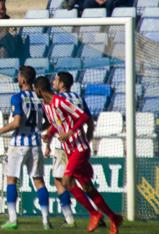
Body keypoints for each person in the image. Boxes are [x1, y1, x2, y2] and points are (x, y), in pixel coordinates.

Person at [35, 76, 123, 234]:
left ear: (39, 90)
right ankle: (113, 217)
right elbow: (58, 123)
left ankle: (94, 214)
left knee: (67, 180)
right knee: (89, 188)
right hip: (70, 150)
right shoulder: (46, 105)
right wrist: (49, 134)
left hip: (79, 147)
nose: (35, 93)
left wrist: (70, 132)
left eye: (35, 90)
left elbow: (83, 116)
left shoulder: (59, 101)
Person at [0, 66, 50, 230]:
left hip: (19, 144)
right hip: (35, 144)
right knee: (38, 181)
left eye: (18, 77)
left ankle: (13, 219)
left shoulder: (17, 97)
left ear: (22, 80)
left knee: (11, 180)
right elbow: (50, 121)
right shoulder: (40, 99)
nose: (18, 79)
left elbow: (16, 122)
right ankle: (45, 220)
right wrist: (39, 128)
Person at [43, 72, 94, 229]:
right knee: (85, 183)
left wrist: (50, 140)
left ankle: (69, 218)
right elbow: (89, 121)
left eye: (56, 80)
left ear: (62, 84)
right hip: (80, 145)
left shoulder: (59, 100)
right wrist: (86, 140)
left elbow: (58, 122)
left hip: (64, 145)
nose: (53, 82)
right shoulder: (78, 97)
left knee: (59, 182)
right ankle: (98, 214)